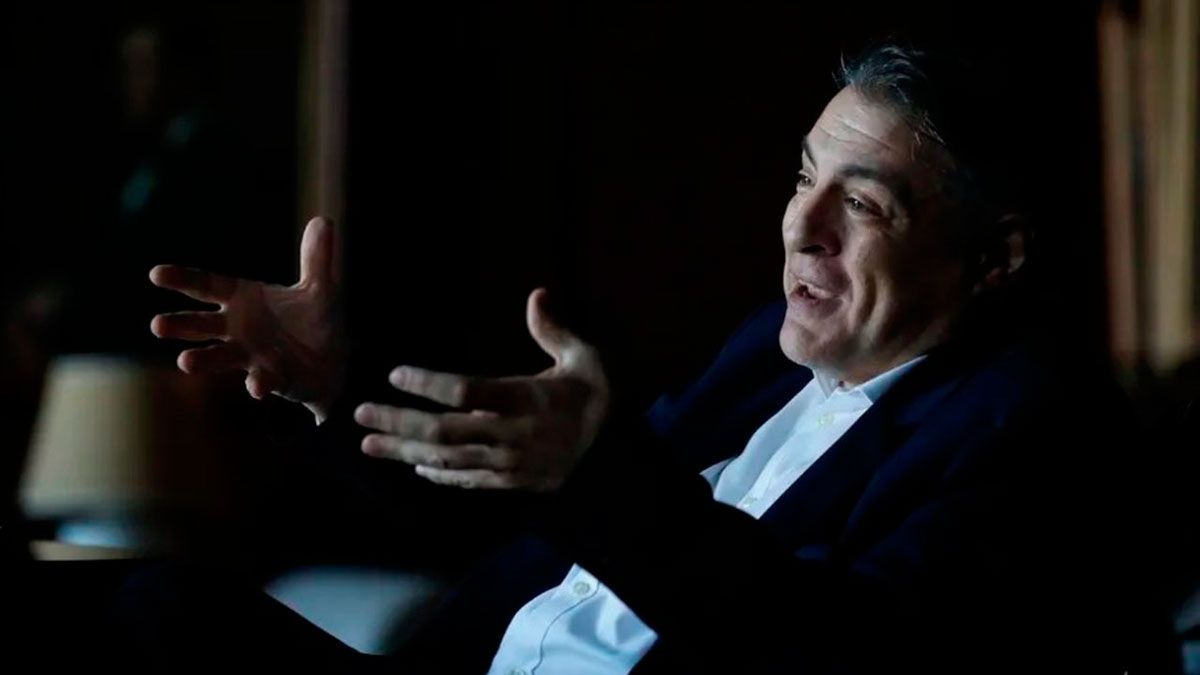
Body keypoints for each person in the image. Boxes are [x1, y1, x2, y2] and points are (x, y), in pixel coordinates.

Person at [142, 43, 1143, 673]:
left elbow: (837, 650)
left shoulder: (1028, 431)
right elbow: (526, 512)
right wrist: (336, 385)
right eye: (804, 178)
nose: (802, 227)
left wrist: (601, 481)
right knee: (152, 602)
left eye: (863, 203)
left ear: (994, 258)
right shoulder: (762, 354)